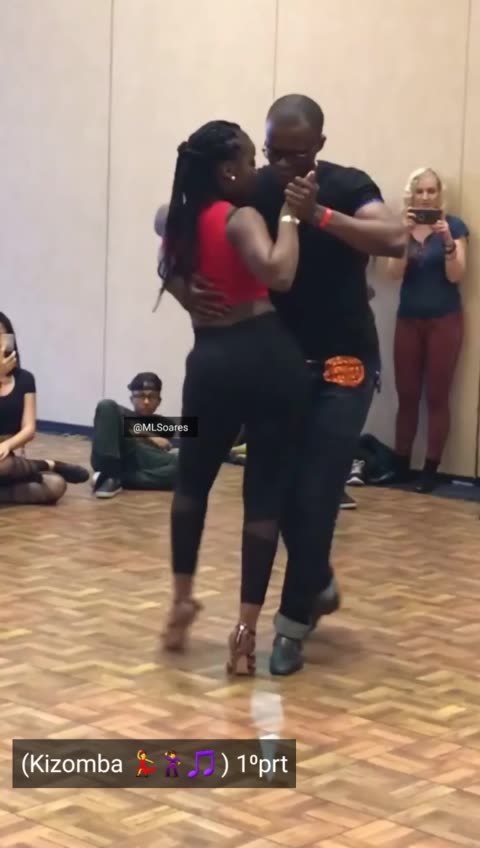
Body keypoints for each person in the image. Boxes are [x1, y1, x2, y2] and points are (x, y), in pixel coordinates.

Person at [162, 96, 406, 675]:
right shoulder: (255, 191)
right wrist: (181, 289)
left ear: (319, 147)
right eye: (272, 152)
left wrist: (317, 214)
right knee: (276, 494)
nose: (281, 165)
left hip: (344, 365)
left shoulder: (346, 184)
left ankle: (291, 625)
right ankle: (313, 579)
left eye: (295, 154)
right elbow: (174, 217)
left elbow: (394, 238)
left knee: (315, 492)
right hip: (279, 368)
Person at [158, 119, 311, 676]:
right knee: (263, 495)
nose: (255, 169)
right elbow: (280, 272)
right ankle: (246, 631)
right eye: (249, 161)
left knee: (191, 481)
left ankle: (182, 600)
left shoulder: (179, 219)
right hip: (268, 362)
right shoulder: (241, 217)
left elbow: (163, 244)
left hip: (209, 365)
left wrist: (184, 292)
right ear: (227, 171)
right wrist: (290, 215)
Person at [385, 168, 468, 493]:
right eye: (420, 191)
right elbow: (393, 273)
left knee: (437, 395)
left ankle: (431, 470)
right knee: (406, 394)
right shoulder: (402, 227)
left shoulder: (454, 226)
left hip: (444, 319)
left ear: (439, 194)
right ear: (412, 194)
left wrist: (446, 240)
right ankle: (400, 464)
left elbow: (456, 275)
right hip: (408, 318)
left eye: (431, 191)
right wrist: (404, 236)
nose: (425, 197)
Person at [0, 312, 89, 505]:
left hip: (5, 459)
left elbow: (29, 429)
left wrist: (7, 445)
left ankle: (24, 471)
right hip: (5, 464)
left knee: (56, 485)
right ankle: (48, 464)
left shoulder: (24, 379)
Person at [91, 372, 178, 498]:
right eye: (141, 396)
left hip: (143, 460)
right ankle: (111, 473)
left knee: (186, 465)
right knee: (106, 405)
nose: (146, 401)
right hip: (115, 455)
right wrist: (151, 436)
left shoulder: (166, 424)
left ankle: (115, 478)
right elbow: (113, 413)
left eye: (152, 397)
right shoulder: (118, 413)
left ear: (159, 401)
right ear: (132, 399)